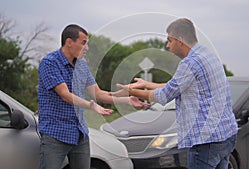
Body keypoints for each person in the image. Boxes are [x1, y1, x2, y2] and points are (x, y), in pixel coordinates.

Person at [115, 18, 238, 169]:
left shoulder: (189, 63)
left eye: (169, 40)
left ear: (180, 41)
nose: (167, 45)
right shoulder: (209, 56)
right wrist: (146, 84)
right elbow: (179, 86)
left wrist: (130, 91)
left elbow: (164, 95)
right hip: (225, 135)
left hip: (206, 142)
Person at [38, 24, 148, 169]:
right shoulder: (50, 63)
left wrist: (126, 99)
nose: (87, 48)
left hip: (79, 134)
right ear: (69, 42)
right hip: (55, 134)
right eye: (83, 43)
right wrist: (90, 105)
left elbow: (98, 93)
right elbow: (65, 95)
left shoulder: (82, 66)